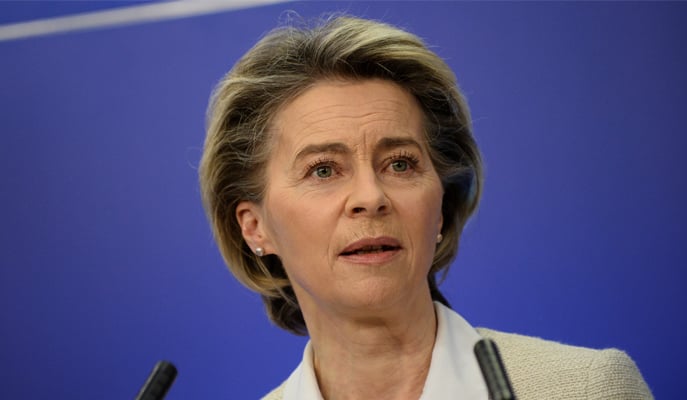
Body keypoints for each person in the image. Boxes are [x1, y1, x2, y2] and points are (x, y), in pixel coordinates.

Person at [199, 15, 653, 400]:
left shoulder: (588, 388)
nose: (371, 197)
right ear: (255, 228)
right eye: (323, 170)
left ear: (440, 207)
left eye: (400, 163)